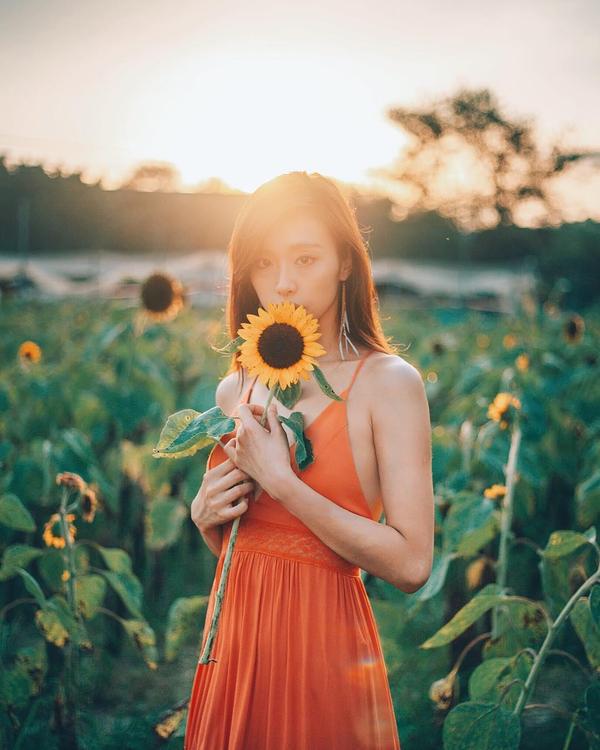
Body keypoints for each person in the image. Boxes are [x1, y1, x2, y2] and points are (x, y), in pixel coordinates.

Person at [186, 171, 434, 749]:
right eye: (265, 264)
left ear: (346, 263)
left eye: (305, 260)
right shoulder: (238, 389)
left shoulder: (388, 384)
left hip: (325, 648)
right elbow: (247, 549)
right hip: (236, 647)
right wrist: (205, 518)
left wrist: (285, 482)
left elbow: (411, 563)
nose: (283, 285)